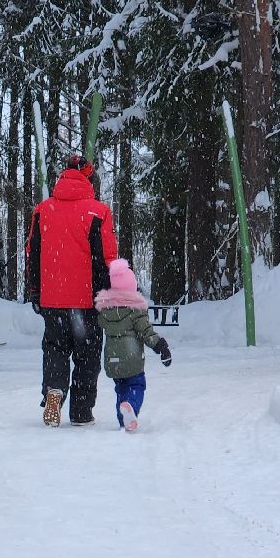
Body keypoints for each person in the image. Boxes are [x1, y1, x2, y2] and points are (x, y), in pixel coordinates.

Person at [24, 156, 118, 427]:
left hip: (52, 298)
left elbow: (32, 252)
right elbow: (106, 257)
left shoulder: (43, 210)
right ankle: (81, 411)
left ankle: (54, 391)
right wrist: (106, 293)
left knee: (55, 349)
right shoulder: (98, 212)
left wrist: (35, 290)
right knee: (87, 355)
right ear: (88, 180)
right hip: (86, 300)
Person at [95, 258, 172, 432]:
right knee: (137, 385)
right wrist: (160, 346)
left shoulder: (105, 311)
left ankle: (123, 421)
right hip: (132, 358)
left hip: (112, 360)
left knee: (120, 389)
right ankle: (131, 407)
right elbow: (147, 332)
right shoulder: (136, 310)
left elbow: (98, 325)